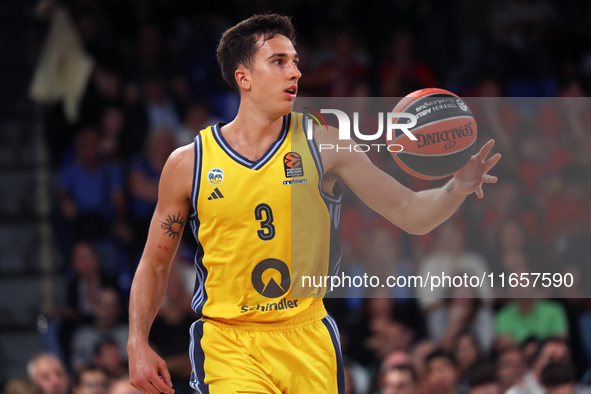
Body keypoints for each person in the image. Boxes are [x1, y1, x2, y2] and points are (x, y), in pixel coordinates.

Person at [127, 14, 501, 394]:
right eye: (279, 62)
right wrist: (137, 341)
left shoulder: (328, 145)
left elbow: (412, 214)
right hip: (229, 341)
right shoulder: (189, 163)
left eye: (295, 61)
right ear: (244, 78)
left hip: (308, 336)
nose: (295, 73)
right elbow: (155, 263)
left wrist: (458, 186)